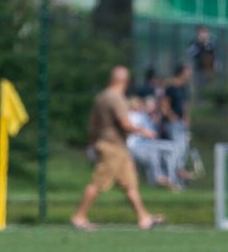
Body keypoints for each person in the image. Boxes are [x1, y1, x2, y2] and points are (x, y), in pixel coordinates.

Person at [71, 66, 165, 231]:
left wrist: (92, 142)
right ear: (126, 81)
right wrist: (144, 132)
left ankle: (144, 218)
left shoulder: (101, 97)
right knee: (98, 183)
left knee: (130, 185)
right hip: (112, 148)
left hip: (117, 148)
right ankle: (79, 216)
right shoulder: (116, 98)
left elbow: (93, 123)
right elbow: (124, 123)